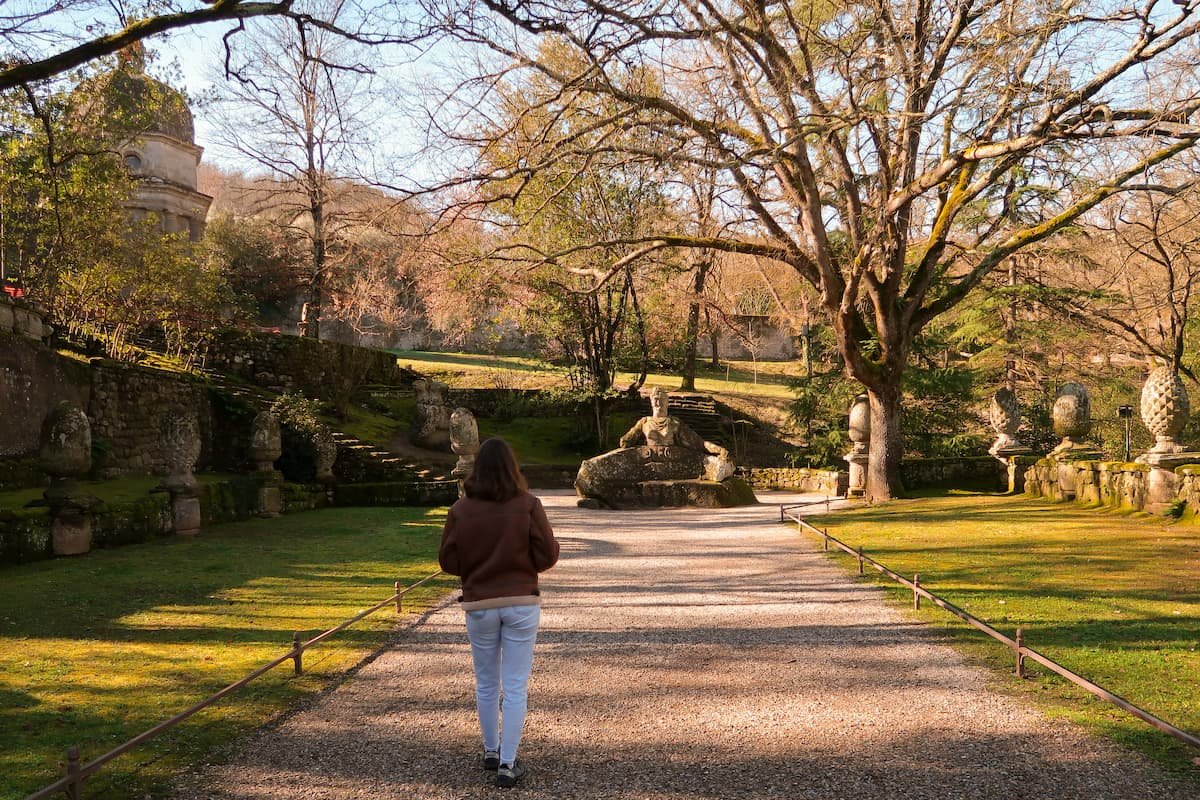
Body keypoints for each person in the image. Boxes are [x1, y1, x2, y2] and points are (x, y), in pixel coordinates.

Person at [438, 437, 560, 788]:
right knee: (516, 684)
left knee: (487, 681)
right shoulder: (528, 505)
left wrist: (474, 567)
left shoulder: (461, 509)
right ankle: (508, 762)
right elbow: (548, 554)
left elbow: (448, 561)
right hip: (521, 600)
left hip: (480, 603)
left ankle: (491, 750)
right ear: (512, 467)